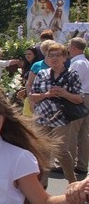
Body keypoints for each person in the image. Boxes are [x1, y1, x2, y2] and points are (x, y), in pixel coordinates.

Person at [29, 42, 82, 184]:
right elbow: (32, 96)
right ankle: (42, 184)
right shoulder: (42, 74)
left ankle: (72, 180)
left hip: (62, 117)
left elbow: (79, 99)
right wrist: (46, 95)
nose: (54, 58)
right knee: (42, 151)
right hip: (42, 116)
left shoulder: (72, 75)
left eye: (58, 55)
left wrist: (65, 94)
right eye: (51, 55)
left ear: (65, 57)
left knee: (61, 150)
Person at [68, 37, 89, 176]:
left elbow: (72, 81)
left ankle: (68, 163)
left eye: (69, 47)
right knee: (83, 132)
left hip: (79, 97)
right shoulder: (85, 61)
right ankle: (82, 164)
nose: (68, 49)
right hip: (86, 96)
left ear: (74, 48)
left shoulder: (78, 63)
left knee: (72, 131)